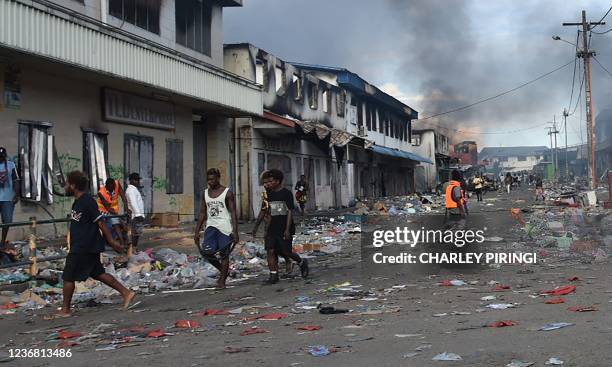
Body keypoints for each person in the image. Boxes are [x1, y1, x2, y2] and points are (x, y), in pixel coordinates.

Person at [60, 171, 135, 317]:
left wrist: (112, 241)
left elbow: (100, 222)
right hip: (86, 245)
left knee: (68, 277)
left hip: (83, 246)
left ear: (74, 186)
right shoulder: (79, 201)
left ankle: (65, 310)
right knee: (98, 273)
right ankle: (127, 293)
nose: (66, 186)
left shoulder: (86, 201)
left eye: (68, 184)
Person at [251, 169, 308, 284]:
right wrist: (256, 227)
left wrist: (287, 229)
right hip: (272, 227)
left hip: (284, 226)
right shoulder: (267, 194)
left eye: (270, 181)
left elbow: (290, 212)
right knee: (270, 250)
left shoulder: (286, 193)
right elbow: (264, 210)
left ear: (278, 181)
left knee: (286, 251)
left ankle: (302, 262)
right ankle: (273, 275)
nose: (268, 184)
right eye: (266, 182)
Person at [194, 168, 239, 289]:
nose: (210, 182)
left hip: (225, 227)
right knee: (207, 252)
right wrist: (197, 231)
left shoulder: (227, 193)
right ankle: (224, 270)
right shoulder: (205, 193)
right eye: (208, 180)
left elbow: (233, 212)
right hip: (211, 226)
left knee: (224, 254)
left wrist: (235, 231)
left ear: (218, 178)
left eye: (212, 179)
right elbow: (203, 212)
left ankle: (222, 281)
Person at [98, 178, 130, 249]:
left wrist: (127, 209)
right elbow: (108, 208)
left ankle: (123, 242)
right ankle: (118, 243)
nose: (113, 190)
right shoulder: (101, 192)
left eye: (114, 188)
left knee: (118, 223)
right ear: (106, 186)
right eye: (111, 189)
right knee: (112, 225)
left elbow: (123, 197)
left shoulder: (117, 184)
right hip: (103, 211)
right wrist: (120, 219)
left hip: (113, 210)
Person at [0, 148, 19, 247]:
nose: (1, 158)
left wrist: (17, 194)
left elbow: (16, 180)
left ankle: (2, 241)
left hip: (8, 198)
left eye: (2, 156)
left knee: (7, 221)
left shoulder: (11, 165)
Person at [125, 173, 145, 257]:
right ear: (132, 180)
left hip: (137, 215)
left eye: (138, 180)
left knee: (136, 233)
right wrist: (138, 214)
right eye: (136, 180)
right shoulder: (131, 190)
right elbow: (133, 203)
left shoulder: (133, 189)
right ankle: (133, 249)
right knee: (135, 233)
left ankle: (134, 248)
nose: (138, 181)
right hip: (136, 215)